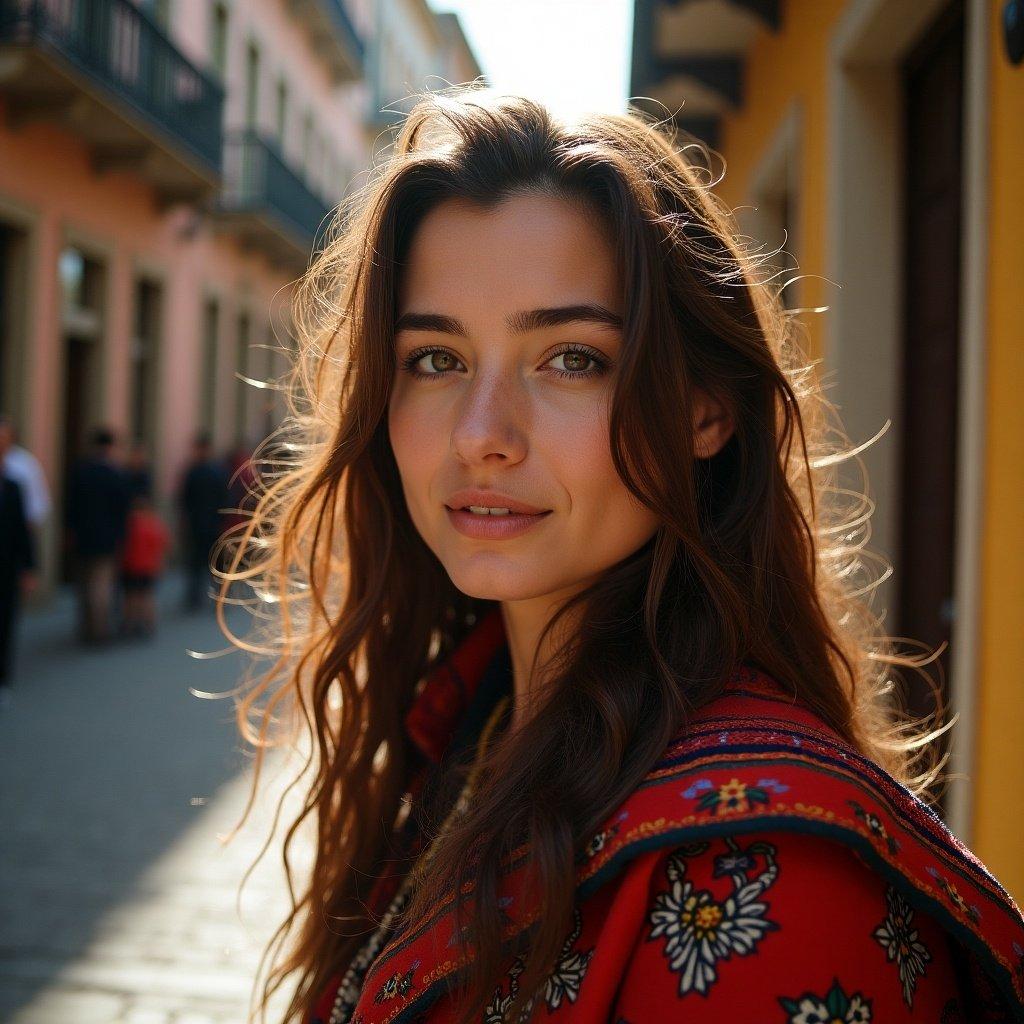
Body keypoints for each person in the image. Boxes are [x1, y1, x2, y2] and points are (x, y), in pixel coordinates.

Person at [215, 88, 1024, 1024]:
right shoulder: (463, 730)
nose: (482, 436)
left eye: (572, 358)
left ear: (705, 411)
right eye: (435, 360)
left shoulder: (772, 879)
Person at [65, 427, 130, 645]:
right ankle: (99, 630)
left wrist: (70, 530)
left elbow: (71, 504)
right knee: (101, 586)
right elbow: (122, 509)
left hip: (83, 536)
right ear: (110, 447)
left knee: (84, 584)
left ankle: (85, 626)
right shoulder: (114, 474)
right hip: (107, 538)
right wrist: (121, 535)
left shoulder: (81, 470)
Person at [0, 423, 37, 708]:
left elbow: (25, 529)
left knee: (4, 623)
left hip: (6, 566)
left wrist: (29, 567)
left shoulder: (13, 485)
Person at [176, 433, 230, 612]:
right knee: (210, 563)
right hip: (210, 524)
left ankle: (199, 597)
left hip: (200, 524)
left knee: (199, 562)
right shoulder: (215, 471)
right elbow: (226, 498)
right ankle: (215, 596)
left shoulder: (195, 471)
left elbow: (184, 499)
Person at [118, 491, 170, 639]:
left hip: (131, 566)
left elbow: (122, 546)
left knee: (130, 597)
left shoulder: (129, 525)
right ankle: (149, 624)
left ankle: (129, 624)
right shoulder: (154, 524)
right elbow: (163, 545)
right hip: (149, 567)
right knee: (148, 596)